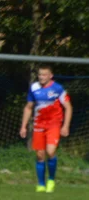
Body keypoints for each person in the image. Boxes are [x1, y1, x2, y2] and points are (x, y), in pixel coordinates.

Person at [20, 64, 73, 193]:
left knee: (50, 151)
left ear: (50, 76)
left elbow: (68, 107)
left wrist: (65, 126)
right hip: (39, 124)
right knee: (39, 154)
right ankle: (41, 184)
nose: (41, 77)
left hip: (54, 124)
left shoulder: (58, 88)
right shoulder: (34, 88)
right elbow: (28, 107)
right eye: (40, 75)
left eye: (44, 75)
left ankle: (51, 179)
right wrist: (23, 126)